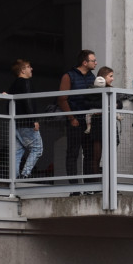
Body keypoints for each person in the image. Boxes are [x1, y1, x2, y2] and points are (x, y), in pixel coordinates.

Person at [58, 50, 99, 184]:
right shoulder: (69, 76)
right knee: (73, 153)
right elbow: (62, 99)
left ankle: (87, 186)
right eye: (93, 60)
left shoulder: (92, 77)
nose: (96, 63)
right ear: (84, 62)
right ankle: (74, 187)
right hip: (75, 120)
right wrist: (72, 118)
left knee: (89, 153)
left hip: (89, 121)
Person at [7, 60, 42, 180]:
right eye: (28, 67)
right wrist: (34, 120)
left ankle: (14, 178)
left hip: (16, 123)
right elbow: (28, 102)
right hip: (27, 123)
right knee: (38, 149)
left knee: (17, 153)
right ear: (22, 70)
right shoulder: (26, 82)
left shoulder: (13, 84)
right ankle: (25, 174)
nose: (31, 69)